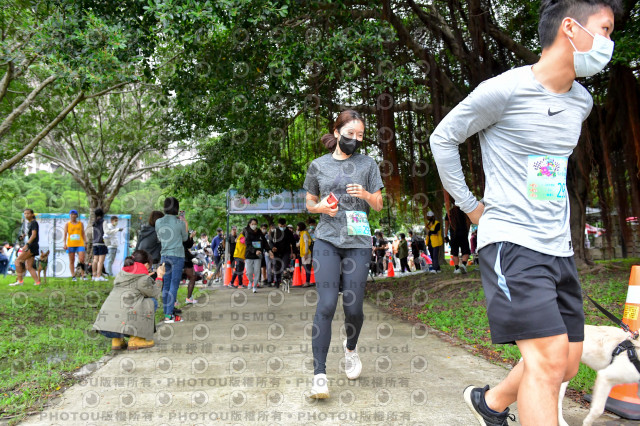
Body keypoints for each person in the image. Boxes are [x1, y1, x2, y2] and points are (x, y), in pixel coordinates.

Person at [430, 0, 620, 423]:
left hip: (558, 246)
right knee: (549, 364)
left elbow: (546, 170)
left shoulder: (581, 102)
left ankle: (491, 402)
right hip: (511, 242)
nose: (609, 42)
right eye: (605, 29)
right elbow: (442, 139)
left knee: (567, 364)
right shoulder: (505, 89)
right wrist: (472, 207)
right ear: (571, 28)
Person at [303, 109, 384, 399]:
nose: (355, 140)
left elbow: (379, 204)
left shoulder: (368, 164)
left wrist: (365, 194)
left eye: (360, 136)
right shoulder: (318, 166)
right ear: (337, 132)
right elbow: (309, 202)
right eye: (350, 134)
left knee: (354, 308)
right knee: (325, 305)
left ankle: (351, 349)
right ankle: (319, 375)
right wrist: (321, 207)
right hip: (326, 238)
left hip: (358, 240)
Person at [92, 250, 164, 350]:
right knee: (151, 301)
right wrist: (160, 276)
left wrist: (146, 277)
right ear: (146, 264)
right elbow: (155, 293)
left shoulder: (121, 274)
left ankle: (116, 341)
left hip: (105, 327)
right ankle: (136, 339)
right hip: (124, 328)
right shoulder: (143, 279)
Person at [155, 197, 188, 323]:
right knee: (174, 285)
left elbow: (159, 237)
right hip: (177, 256)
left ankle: (166, 314)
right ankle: (169, 315)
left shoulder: (158, 222)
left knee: (166, 285)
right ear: (177, 208)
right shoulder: (179, 223)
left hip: (164, 256)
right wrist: (184, 222)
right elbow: (185, 238)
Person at [10, 209, 40, 286]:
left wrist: (26, 245)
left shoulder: (34, 223)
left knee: (17, 261)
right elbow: (30, 233)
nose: (26, 215)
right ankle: (37, 282)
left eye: (28, 213)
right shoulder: (30, 223)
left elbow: (34, 235)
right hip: (33, 246)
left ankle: (20, 281)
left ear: (32, 214)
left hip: (31, 246)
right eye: (25, 214)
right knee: (29, 266)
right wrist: (23, 236)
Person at [268, 218, 295, 289]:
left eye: (284, 226)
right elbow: (270, 241)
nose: (282, 227)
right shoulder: (274, 231)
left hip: (286, 252)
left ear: (285, 225)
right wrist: (272, 247)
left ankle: (285, 281)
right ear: (278, 225)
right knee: (277, 267)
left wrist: (294, 252)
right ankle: (277, 281)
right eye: (281, 226)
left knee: (285, 266)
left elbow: (293, 243)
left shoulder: (289, 232)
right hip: (276, 252)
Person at [445, 205, 471, 274]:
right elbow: (468, 222)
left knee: (454, 252)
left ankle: (457, 268)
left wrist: (445, 236)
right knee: (465, 251)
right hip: (463, 234)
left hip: (454, 235)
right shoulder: (465, 211)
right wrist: (467, 231)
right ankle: (463, 264)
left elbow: (446, 226)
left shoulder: (449, 212)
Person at [244, 218, 268, 293]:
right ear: (249, 224)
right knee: (249, 272)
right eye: (252, 224)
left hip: (258, 256)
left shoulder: (259, 232)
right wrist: (255, 251)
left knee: (257, 271)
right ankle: (251, 281)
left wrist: (269, 250)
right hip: (249, 255)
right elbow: (247, 245)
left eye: (255, 224)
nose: (254, 225)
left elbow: (265, 243)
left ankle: (255, 286)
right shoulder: (247, 232)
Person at [62, 209, 87, 281]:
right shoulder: (67, 224)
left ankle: (83, 275)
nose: (73, 215)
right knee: (72, 260)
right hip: (70, 244)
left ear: (77, 215)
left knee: (82, 259)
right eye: (72, 214)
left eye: (74, 214)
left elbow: (83, 233)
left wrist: (85, 242)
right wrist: (64, 243)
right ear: (70, 215)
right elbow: (65, 235)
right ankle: (73, 276)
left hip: (80, 243)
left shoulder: (80, 223)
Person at [91, 208, 108, 282]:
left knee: (95, 260)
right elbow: (106, 231)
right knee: (101, 261)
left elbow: (92, 233)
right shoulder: (104, 222)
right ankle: (98, 276)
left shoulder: (94, 223)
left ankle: (94, 276)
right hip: (102, 242)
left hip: (95, 243)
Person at [183, 230, 198, 304]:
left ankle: (174, 301)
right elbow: (186, 245)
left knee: (174, 280)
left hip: (179, 258)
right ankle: (188, 298)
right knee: (192, 277)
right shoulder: (180, 232)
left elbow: (188, 245)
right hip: (184, 259)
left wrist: (191, 237)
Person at [297, 222, 313, 287]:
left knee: (307, 268)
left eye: (298, 226)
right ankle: (307, 281)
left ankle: (307, 282)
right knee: (306, 267)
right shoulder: (302, 234)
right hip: (303, 253)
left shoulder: (304, 234)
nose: (297, 228)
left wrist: (306, 253)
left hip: (306, 253)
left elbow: (306, 244)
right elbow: (300, 244)